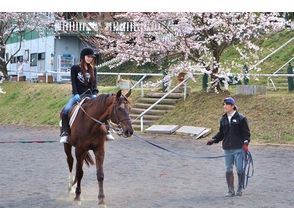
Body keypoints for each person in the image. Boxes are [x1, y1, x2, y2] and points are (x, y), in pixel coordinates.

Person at [60, 47, 114, 143]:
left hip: (90, 95)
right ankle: (65, 132)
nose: (90, 58)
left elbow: (94, 85)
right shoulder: (75, 68)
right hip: (78, 95)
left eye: (91, 57)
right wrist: (76, 93)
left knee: (103, 109)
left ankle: (107, 131)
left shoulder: (93, 69)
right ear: (83, 57)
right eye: (88, 56)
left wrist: (95, 93)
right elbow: (73, 83)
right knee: (65, 110)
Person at [207, 97, 250, 197]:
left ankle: (240, 188)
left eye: (227, 104)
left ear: (232, 106)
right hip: (227, 148)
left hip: (239, 148)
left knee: (240, 169)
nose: (224, 106)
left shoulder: (241, 118)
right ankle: (231, 190)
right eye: (224, 104)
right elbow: (222, 133)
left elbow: (246, 133)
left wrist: (246, 143)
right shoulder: (223, 119)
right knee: (228, 169)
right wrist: (214, 140)